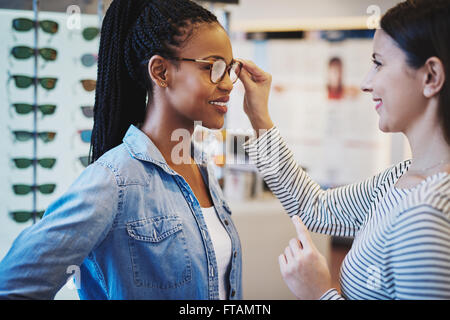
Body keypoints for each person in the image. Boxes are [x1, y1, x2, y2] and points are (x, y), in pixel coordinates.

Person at [0, 0, 243, 300]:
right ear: (161, 71)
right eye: (213, 68)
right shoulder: (113, 180)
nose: (229, 84)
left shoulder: (201, 169)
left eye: (230, 69)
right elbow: (12, 287)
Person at [238, 0, 450, 300]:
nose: (366, 83)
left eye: (378, 63)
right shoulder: (401, 177)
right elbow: (314, 207)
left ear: (431, 77)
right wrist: (259, 116)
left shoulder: (430, 213)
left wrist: (320, 292)